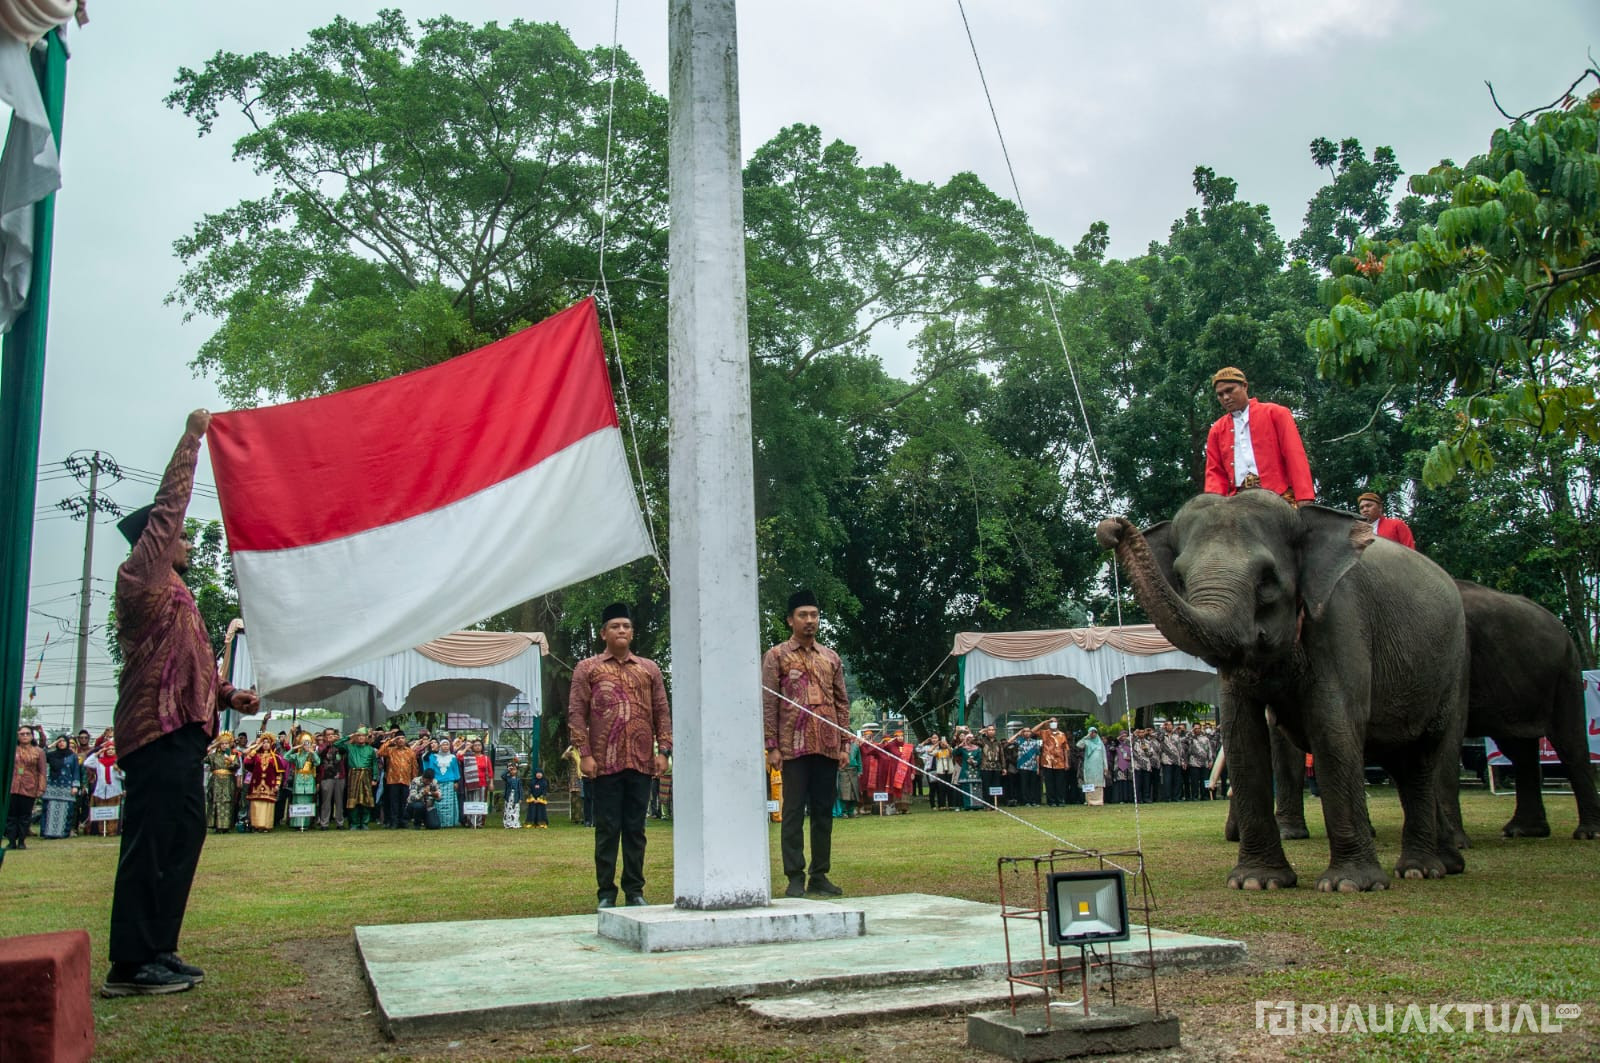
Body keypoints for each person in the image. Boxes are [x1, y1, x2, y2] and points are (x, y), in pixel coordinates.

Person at [101, 411, 262, 997]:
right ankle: (130, 962)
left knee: (183, 834)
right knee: (152, 838)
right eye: (181, 535)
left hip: (187, 730)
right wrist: (193, 439)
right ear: (159, 541)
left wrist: (228, 696)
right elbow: (169, 504)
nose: (189, 540)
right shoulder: (140, 576)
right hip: (157, 732)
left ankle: (159, 949)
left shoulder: (181, 597)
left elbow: (190, 663)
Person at [569, 602, 671, 909]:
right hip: (604, 762)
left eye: (626, 626)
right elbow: (576, 714)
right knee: (607, 829)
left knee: (636, 830)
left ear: (633, 632)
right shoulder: (588, 668)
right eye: (615, 626)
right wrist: (584, 754)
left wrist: (663, 750)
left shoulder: (649, 669)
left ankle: (635, 890)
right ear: (604, 633)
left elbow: (662, 712)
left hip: (641, 761)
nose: (622, 631)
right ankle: (605, 893)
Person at [763, 589, 851, 898]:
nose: (810, 620)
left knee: (825, 811)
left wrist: (844, 744)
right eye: (803, 615)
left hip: (827, 745)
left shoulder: (831, 657)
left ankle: (820, 874)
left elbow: (842, 703)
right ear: (790, 620)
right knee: (793, 812)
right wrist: (771, 745)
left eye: (814, 615)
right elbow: (768, 703)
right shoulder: (776, 656)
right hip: (792, 746)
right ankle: (794, 876)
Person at [1203, 366, 1315, 506]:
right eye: (1220, 394)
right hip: (1237, 500)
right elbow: (1214, 472)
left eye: (1230, 390)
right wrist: (1212, 506)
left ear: (1244, 386)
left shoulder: (1276, 413)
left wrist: (1304, 496)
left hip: (1279, 494)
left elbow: (1294, 455)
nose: (1226, 397)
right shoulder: (1216, 430)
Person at [6, 724, 45, 849]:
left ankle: (22, 841)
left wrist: (41, 788)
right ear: (17, 736)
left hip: (29, 787)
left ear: (32, 736)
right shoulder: (12, 750)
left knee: (25, 816)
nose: (25, 736)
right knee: (11, 816)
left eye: (27, 734)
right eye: (22, 734)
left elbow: (42, 771)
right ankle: (11, 841)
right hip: (12, 786)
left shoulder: (38, 751)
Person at [40, 734, 80, 839]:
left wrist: (75, 786)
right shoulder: (52, 755)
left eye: (63, 741)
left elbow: (76, 771)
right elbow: (40, 754)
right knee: (49, 809)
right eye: (59, 741)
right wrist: (51, 745)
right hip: (52, 786)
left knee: (66, 810)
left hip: (66, 787)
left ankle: (63, 833)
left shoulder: (72, 756)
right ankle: (47, 833)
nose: (61, 743)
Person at [377, 730, 418, 830]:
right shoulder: (391, 750)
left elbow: (414, 767)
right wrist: (391, 741)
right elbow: (380, 752)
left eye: (402, 738)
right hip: (393, 780)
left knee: (404, 802)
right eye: (398, 738)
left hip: (405, 780)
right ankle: (394, 821)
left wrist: (414, 779)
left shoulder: (410, 752)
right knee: (393, 802)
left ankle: (403, 821)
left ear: (405, 739)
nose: (400, 740)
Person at [338, 728, 377, 830]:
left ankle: (364, 823)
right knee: (353, 800)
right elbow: (336, 744)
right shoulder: (350, 747)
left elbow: (374, 764)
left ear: (366, 737)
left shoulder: (370, 749)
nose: (360, 738)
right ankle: (354, 823)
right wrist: (349, 736)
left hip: (366, 775)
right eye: (358, 736)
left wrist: (375, 778)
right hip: (354, 775)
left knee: (366, 800)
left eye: (362, 736)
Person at [243, 735, 285, 832]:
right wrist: (256, 748)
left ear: (271, 744)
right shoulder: (256, 756)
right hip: (256, 785)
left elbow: (279, 773)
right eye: (264, 742)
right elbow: (247, 762)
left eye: (268, 743)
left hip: (270, 785)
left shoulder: (275, 757)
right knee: (256, 805)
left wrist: (278, 784)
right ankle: (255, 825)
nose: (266, 745)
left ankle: (266, 826)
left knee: (267, 805)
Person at [203, 733, 239, 834]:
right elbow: (202, 757)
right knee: (216, 802)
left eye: (226, 743)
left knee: (227, 802)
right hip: (216, 782)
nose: (224, 745)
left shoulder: (232, 755)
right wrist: (213, 746)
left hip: (228, 782)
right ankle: (216, 825)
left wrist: (230, 761)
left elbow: (237, 766)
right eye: (222, 743)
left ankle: (226, 826)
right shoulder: (213, 756)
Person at [286, 735, 320, 829]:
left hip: (309, 780)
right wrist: (294, 748)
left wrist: (312, 752)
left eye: (308, 743)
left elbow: (318, 762)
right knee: (298, 801)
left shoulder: (311, 755)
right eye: (304, 743)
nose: (306, 745)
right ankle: (296, 824)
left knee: (307, 802)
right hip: (299, 780)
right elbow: (286, 757)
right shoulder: (297, 755)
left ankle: (306, 824)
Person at [426, 739, 461, 828]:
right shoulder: (433, 757)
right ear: (440, 746)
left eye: (447, 745)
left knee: (449, 804)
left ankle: (449, 822)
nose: (445, 746)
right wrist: (431, 781)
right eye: (443, 745)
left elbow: (455, 769)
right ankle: (438, 822)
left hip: (449, 782)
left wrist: (456, 781)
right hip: (437, 783)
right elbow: (430, 768)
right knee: (438, 802)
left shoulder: (453, 757)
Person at [1039, 720, 1069, 807]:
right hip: (1047, 762)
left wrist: (1066, 762)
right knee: (1049, 783)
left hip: (1059, 762)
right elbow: (1033, 731)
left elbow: (1065, 749)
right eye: (1051, 721)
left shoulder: (1062, 734)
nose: (1053, 723)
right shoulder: (1044, 733)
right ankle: (1051, 801)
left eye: (1055, 721)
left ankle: (1060, 800)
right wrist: (1044, 722)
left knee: (1060, 783)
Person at [1076, 726, 1107, 806]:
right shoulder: (1087, 741)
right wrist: (1087, 736)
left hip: (1099, 767)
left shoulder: (1100, 743)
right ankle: (1090, 800)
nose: (1093, 734)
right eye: (1091, 732)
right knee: (1089, 782)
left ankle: (1099, 801)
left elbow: (1104, 756)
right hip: (1089, 766)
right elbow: (1079, 745)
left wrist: (1105, 767)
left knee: (1098, 783)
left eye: (1094, 732)